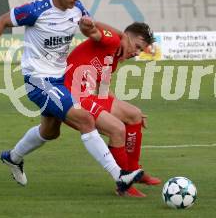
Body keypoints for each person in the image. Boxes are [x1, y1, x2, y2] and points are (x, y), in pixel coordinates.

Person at [0, 0, 143, 195]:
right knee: (85, 120)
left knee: (50, 132)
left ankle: (13, 158)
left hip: (60, 79)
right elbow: (3, 21)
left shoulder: (78, 8)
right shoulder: (36, 10)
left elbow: (90, 28)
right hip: (38, 80)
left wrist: (89, 27)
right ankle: (120, 176)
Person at [64, 18, 161, 197]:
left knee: (135, 115)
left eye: (141, 50)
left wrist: (124, 110)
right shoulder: (113, 40)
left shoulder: (114, 59)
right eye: (138, 47)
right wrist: (119, 34)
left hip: (86, 95)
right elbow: (91, 29)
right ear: (128, 37)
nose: (137, 53)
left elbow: (103, 90)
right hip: (71, 95)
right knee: (118, 129)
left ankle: (134, 171)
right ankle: (124, 183)